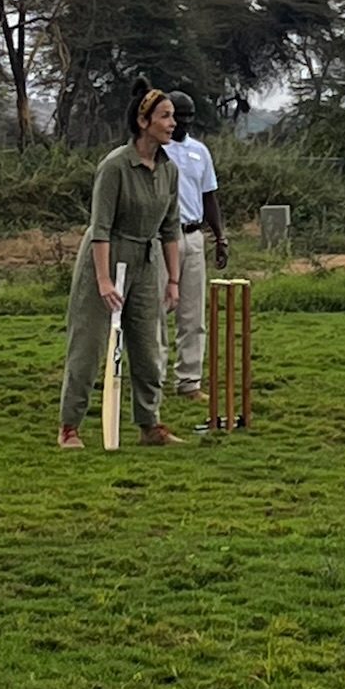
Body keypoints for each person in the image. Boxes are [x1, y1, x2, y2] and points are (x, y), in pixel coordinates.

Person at [58, 78, 184, 449]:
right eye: (165, 116)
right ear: (144, 122)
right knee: (89, 346)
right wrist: (103, 280)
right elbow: (100, 228)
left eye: (173, 116)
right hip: (107, 258)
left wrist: (173, 280)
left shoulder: (169, 169)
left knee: (148, 348)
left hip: (146, 263)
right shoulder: (115, 166)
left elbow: (170, 228)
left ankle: (149, 425)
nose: (172, 123)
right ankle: (70, 427)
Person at [162, 90, 227, 402]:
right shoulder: (158, 150)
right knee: (158, 312)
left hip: (193, 236)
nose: (183, 122)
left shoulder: (200, 151)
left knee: (193, 315)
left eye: (188, 116)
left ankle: (189, 382)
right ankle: (153, 380)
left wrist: (220, 237)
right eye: (178, 116)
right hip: (162, 238)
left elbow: (209, 196)